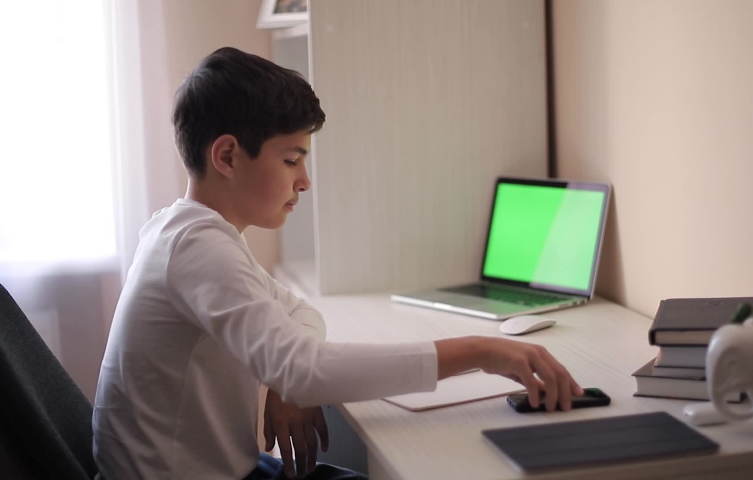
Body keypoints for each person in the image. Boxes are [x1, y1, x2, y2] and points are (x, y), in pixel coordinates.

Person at [92, 46, 584, 480]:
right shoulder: (198, 248)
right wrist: (482, 351)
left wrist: (288, 380)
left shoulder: (190, 231)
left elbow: (302, 315)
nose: (304, 181)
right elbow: (304, 367)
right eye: (291, 160)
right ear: (227, 156)